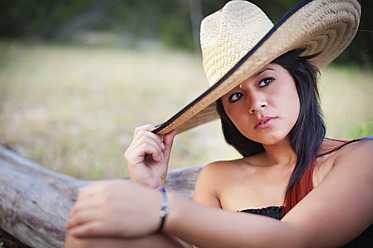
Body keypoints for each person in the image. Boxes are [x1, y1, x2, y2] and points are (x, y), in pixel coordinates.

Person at [64, 0, 373, 247]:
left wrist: (163, 209)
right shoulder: (219, 179)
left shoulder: (361, 158)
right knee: (88, 234)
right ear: (226, 112)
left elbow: (296, 238)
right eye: (235, 97)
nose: (256, 104)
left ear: (298, 80)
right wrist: (150, 192)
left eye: (266, 80)